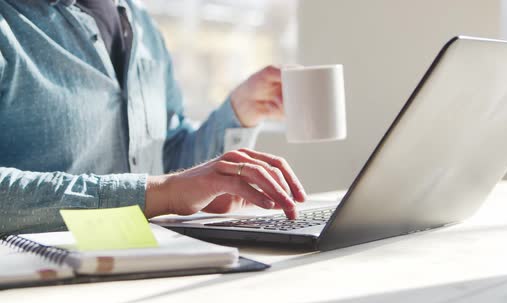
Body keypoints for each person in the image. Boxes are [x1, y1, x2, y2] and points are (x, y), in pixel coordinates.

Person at [0, 0, 306, 234]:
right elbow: (164, 189)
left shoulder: (141, 24)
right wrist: (157, 193)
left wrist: (238, 111)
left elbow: (167, 160)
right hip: (45, 279)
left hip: (149, 256)